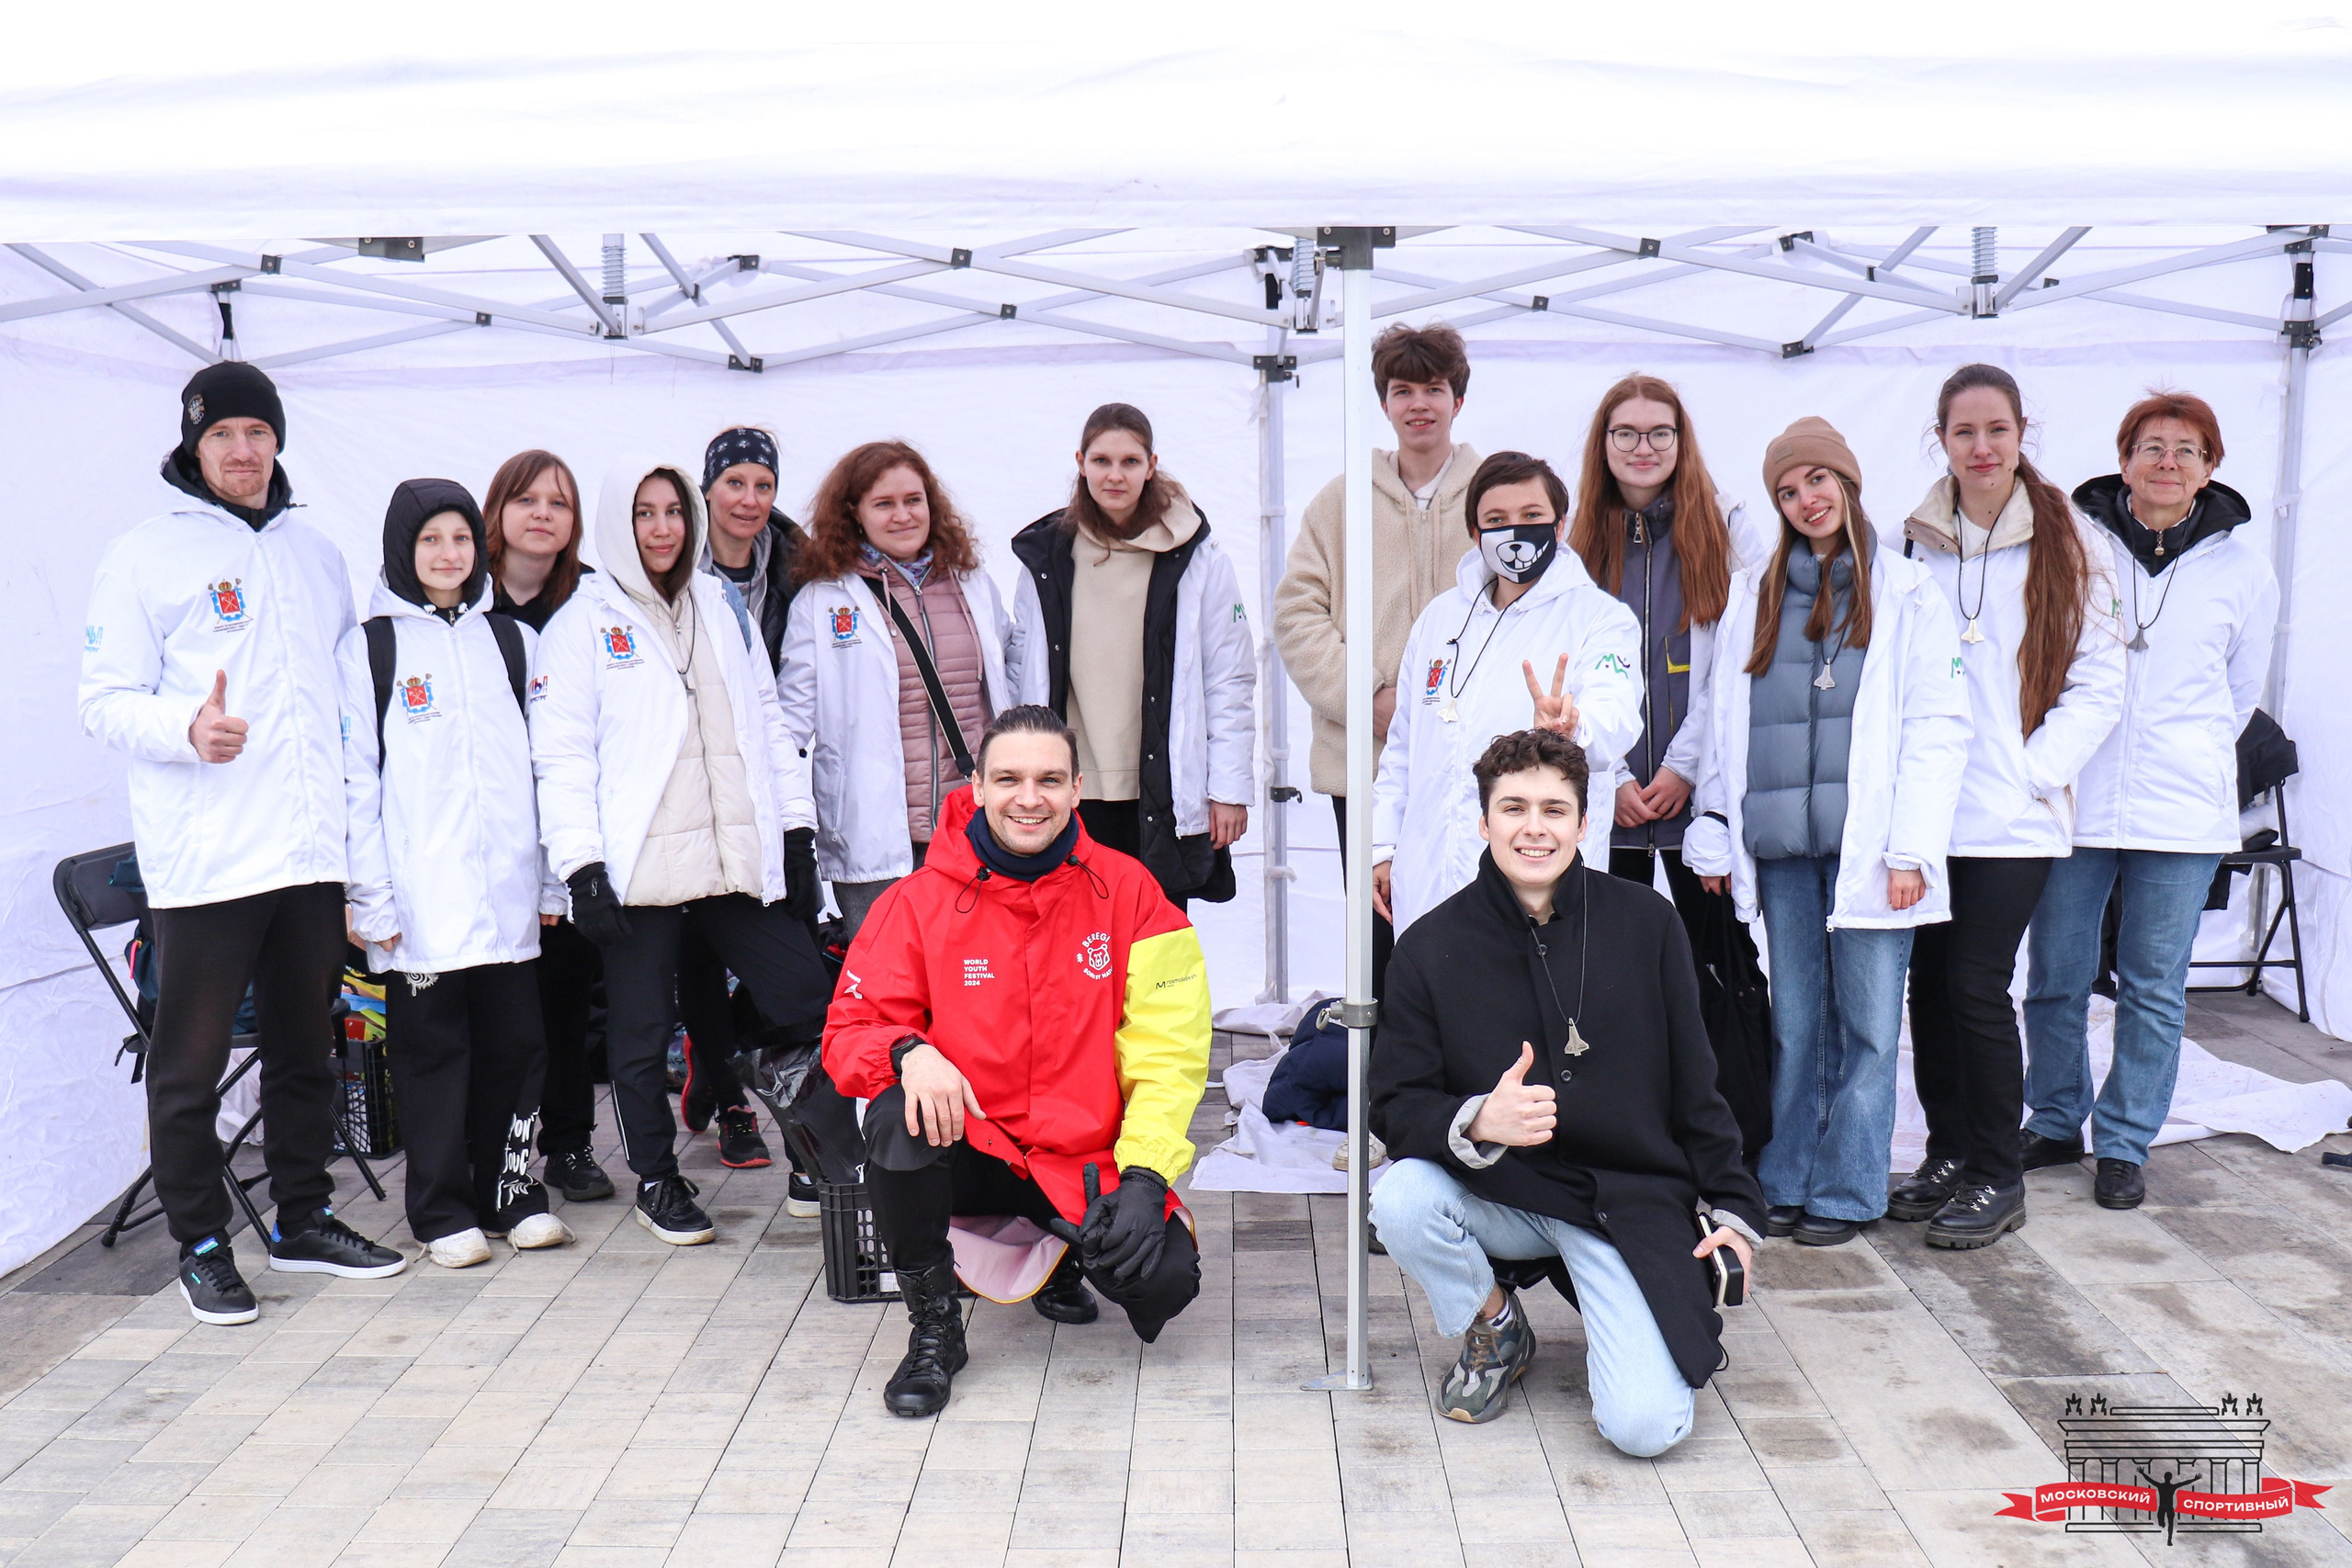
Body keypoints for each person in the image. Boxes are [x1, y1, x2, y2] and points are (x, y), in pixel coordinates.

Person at [80, 362, 406, 1325]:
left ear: (276, 440)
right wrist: (186, 728)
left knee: (310, 1050)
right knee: (189, 1064)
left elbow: (344, 707)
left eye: (255, 432)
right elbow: (103, 701)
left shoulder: (315, 553)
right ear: (193, 445)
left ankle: (303, 1218)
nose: (241, 450)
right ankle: (203, 1243)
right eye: (220, 434)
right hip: (210, 861)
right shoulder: (146, 555)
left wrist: (352, 843)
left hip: (307, 857)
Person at [1369, 728, 1762, 1451]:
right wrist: (1479, 1118)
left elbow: (1698, 1086)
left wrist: (1735, 1205)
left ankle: (1633, 1312)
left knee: (1644, 1428)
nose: (1533, 827)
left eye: (1554, 809)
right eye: (1513, 807)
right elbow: (1394, 1105)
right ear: (1483, 822)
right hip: (1504, 1191)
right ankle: (1497, 1326)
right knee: (1399, 1196)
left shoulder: (1649, 924)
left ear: (1585, 823)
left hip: (1625, 1202)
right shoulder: (1428, 945)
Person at [824, 706, 1211, 1418]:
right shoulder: (915, 901)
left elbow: (1171, 1052)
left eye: (1048, 779)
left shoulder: (1132, 893)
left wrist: (1147, 1173)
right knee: (895, 1116)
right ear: (976, 785)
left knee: (1166, 1282)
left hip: (1078, 1159)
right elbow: (848, 1034)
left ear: (1077, 788)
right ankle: (935, 1326)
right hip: (971, 1148)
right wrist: (909, 1051)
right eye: (1007, 778)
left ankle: (1063, 1261)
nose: (1028, 797)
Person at [1683, 417, 1971, 1247]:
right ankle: (1788, 1175)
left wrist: (1913, 845)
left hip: (1872, 852)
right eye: (1787, 489)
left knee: (1872, 1026)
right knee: (1796, 1019)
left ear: (1846, 482)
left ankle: (1848, 1188)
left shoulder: (1911, 593)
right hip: (1782, 849)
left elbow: (1939, 725)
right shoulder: (1754, 593)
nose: (1805, 499)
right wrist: (1712, 821)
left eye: (1817, 481)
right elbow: (1721, 716)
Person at [530, 456, 831, 1246]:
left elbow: (766, 717)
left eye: (673, 512)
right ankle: (659, 1180)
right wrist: (580, 866)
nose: (662, 529)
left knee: (806, 995)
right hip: (642, 871)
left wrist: (794, 830)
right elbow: (560, 757)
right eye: (644, 514)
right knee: (638, 1031)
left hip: (733, 858)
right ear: (618, 525)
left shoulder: (718, 603)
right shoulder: (581, 623)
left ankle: (814, 1151)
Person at [2021, 392, 2278, 1211]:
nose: (2169, 462)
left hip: (2182, 805)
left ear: (2210, 468)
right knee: (2056, 971)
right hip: (2079, 797)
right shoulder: (2076, 542)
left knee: (2153, 982)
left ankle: (2126, 1140)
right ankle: (2056, 1116)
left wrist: (2192, 750)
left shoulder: (2243, 567)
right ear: (2125, 456)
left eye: (2188, 450)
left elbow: (2240, 694)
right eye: (2153, 446)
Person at [1892, 367, 2125, 1247]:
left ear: (2023, 431)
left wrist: (2032, 770)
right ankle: (1949, 1149)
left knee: (1976, 981)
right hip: (1928, 810)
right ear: (1940, 440)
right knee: (1928, 982)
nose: (1981, 447)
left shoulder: (2074, 542)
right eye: (1964, 433)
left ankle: (1998, 1169)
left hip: (2013, 811)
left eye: (1996, 430)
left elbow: (2102, 681)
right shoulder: (1912, 542)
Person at [340, 479, 573, 1267]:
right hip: (421, 902)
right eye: (431, 539)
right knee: (435, 1057)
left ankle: (513, 1192)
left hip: (506, 894)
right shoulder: (370, 648)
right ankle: (442, 1210)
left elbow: (545, 771)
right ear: (404, 550)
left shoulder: (509, 641)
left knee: (516, 1045)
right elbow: (356, 781)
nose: (449, 555)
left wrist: (549, 882)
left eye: (462, 540)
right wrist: (370, 896)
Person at [1274, 321, 1481, 993]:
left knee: (1477, 930)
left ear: (1458, 398)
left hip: (1476, 763)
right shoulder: (1338, 502)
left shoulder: (1497, 493)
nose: (1419, 403)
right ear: (1384, 402)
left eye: (1434, 388)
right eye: (1402, 389)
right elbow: (1296, 615)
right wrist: (1369, 699)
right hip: (1364, 764)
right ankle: (1388, 1092)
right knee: (1381, 937)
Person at [1372, 451, 1643, 935]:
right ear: (1475, 534)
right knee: (1431, 1005)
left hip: (1538, 879)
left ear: (1560, 525)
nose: (1515, 530)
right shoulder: (1440, 618)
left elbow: (1618, 717)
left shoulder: (1599, 618)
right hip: (1428, 879)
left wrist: (1574, 729)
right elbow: (1403, 748)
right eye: (1496, 520)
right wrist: (1382, 846)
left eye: (1531, 516)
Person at [1011, 403, 1254, 907]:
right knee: (1077, 946)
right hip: (1071, 790)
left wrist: (1228, 789)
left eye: (1129, 461)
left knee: (1156, 953)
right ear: (1080, 462)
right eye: (1102, 460)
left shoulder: (1198, 558)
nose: (1115, 475)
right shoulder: (1047, 556)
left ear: (1152, 464)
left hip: (1162, 790)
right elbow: (1022, 673)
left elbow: (1230, 679)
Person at [780, 440, 1020, 941]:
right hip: (875, 832)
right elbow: (787, 728)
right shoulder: (823, 603)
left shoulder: (973, 584)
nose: (903, 515)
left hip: (972, 830)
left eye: (913, 500)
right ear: (854, 514)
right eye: (883, 504)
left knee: (977, 978)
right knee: (889, 988)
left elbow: (1011, 686)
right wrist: (792, 828)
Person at [1566, 374, 1760, 951]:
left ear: (1682, 440)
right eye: (1625, 434)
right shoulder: (1575, 539)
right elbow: (1570, 670)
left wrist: (1682, 767)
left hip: (1701, 798)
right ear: (1603, 444)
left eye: (1659, 434)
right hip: (1611, 803)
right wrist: (1618, 775)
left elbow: (1745, 656)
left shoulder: (1726, 526)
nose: (1643, 449)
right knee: (1610, 971)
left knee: (1720, 967)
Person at [482, 449, 615, 1206]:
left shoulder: (592, 604)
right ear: (497, 509)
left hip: (566, 839)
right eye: (527, 499)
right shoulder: (461, 600)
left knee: (564, 1004)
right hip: (487, 840)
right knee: (502, 1012)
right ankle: (498, 1151)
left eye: (558, 504)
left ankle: (567, 1145)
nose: (542, 514)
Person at [700, 425, 810, 671]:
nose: (750, 501)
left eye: (763, 486)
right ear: (708, 490)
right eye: (735, 483)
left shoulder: (798, 576)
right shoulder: (677, 570)